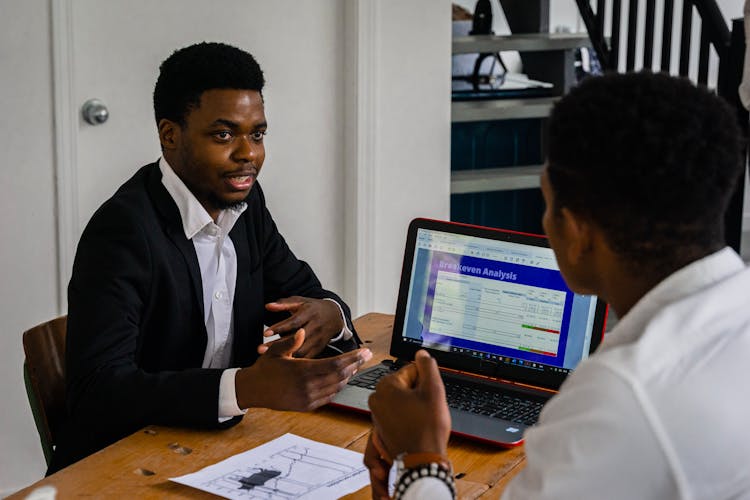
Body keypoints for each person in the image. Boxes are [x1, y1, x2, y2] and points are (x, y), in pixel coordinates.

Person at [365, 72, 750, 499]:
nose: (544, 223)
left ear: (578, 231)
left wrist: (420, 458)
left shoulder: (621, 398)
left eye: (546, 203)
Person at [48, 42, 372, 474]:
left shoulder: (245, 204)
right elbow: (98, 392)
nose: (248, 154)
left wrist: (330, 314)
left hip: (219, 448)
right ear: (170, 134)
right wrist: (241, 387)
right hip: (124, 462)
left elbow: (306, 293)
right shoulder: (123, 231)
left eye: (257, 134)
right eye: (224, 135)